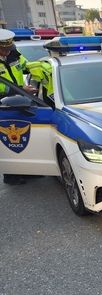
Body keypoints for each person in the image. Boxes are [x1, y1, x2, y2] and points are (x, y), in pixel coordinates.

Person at [0, 29, 51, 185]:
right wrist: (20, 90)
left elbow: (27, 66)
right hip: (3, 104)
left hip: (20, 100)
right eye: (4, 49)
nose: (7, 52)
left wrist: (47, 66)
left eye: (9, 48)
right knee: (7, 140)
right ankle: (11, 175)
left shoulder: (14, 53)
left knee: (24, 139)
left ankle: (28, 169)